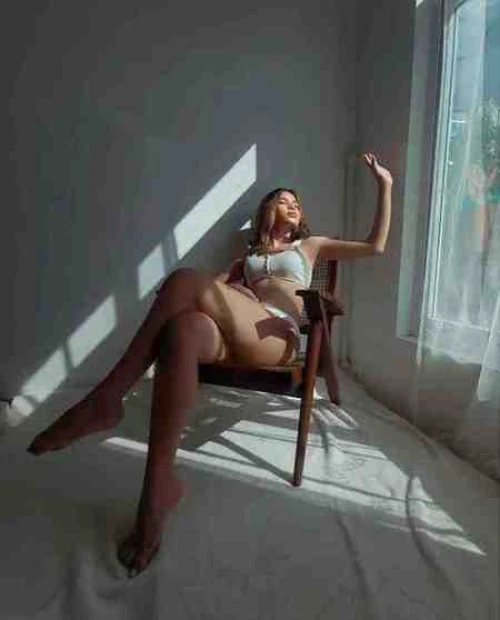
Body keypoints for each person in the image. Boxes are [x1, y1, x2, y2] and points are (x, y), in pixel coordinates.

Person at [27, 152, 393, 577]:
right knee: (182, 328)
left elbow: (375, 245)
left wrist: (384, 185)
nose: (293, 205)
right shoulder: (246, 259)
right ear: (268, 210)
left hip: (276, 334)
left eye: (297, 203)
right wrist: (233, 291)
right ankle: (157, 489)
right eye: (284, 200)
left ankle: (107, 398)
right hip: (238, 326)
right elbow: (207, 294)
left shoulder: (309, 247)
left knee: (184, 280)